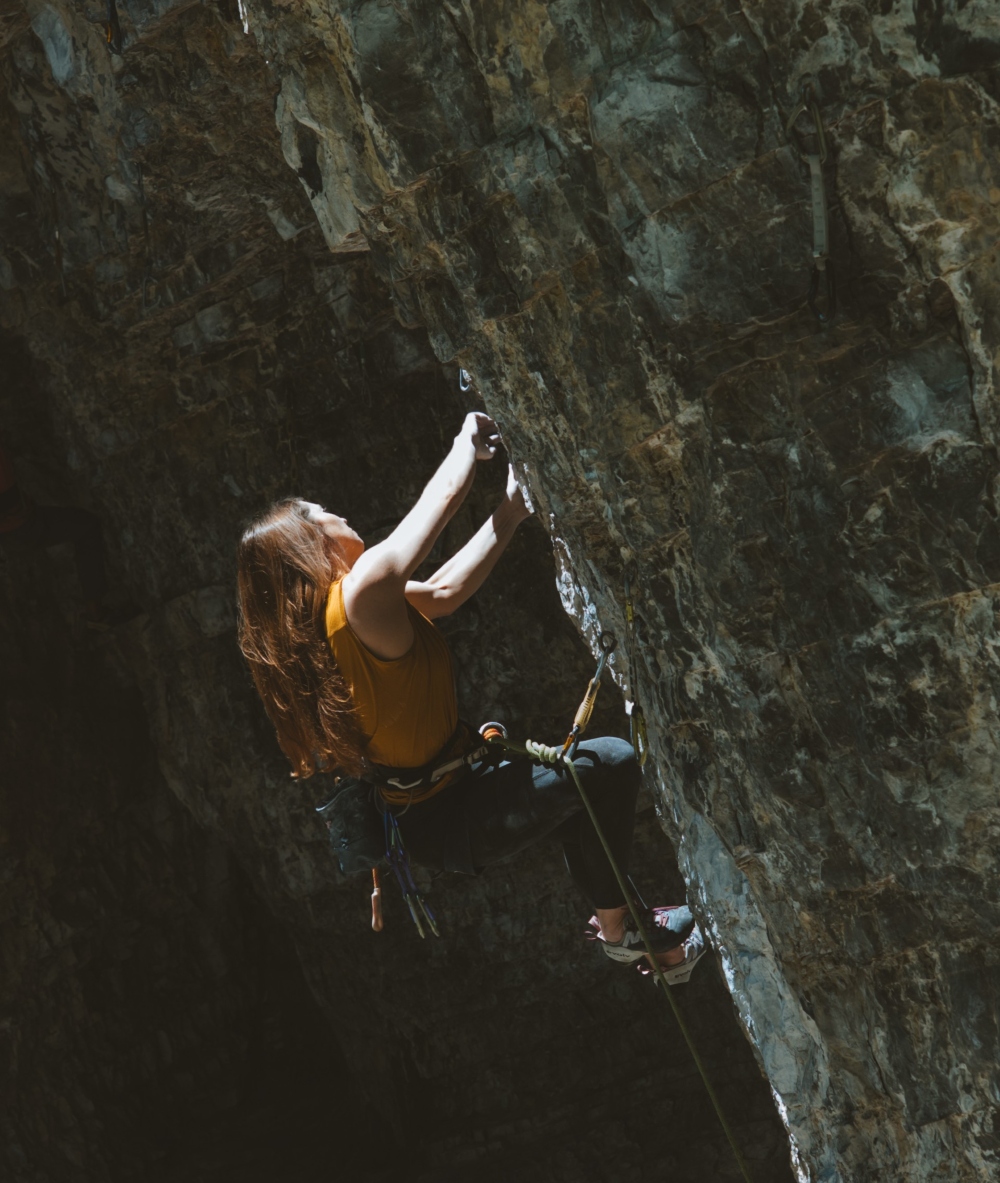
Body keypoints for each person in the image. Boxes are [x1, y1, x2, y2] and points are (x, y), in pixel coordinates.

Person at [236, 412, 705, 978]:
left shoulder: (347, 615)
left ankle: (645, 938)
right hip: (449, 815)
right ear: (308, 545)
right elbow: (436, 511)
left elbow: (444, 589)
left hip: (446, 803)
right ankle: (620, 931)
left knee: (581, 784)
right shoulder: (358, 598)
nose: (339, 514)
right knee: (607, 763)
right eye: (323, 514)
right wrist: (466, 445)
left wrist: (510, 511)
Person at [0, 436, 119, 626]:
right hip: (22, 526)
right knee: (86, 526)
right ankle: (96, 613)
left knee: (81, 525)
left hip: (15, 528)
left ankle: (95, 613)